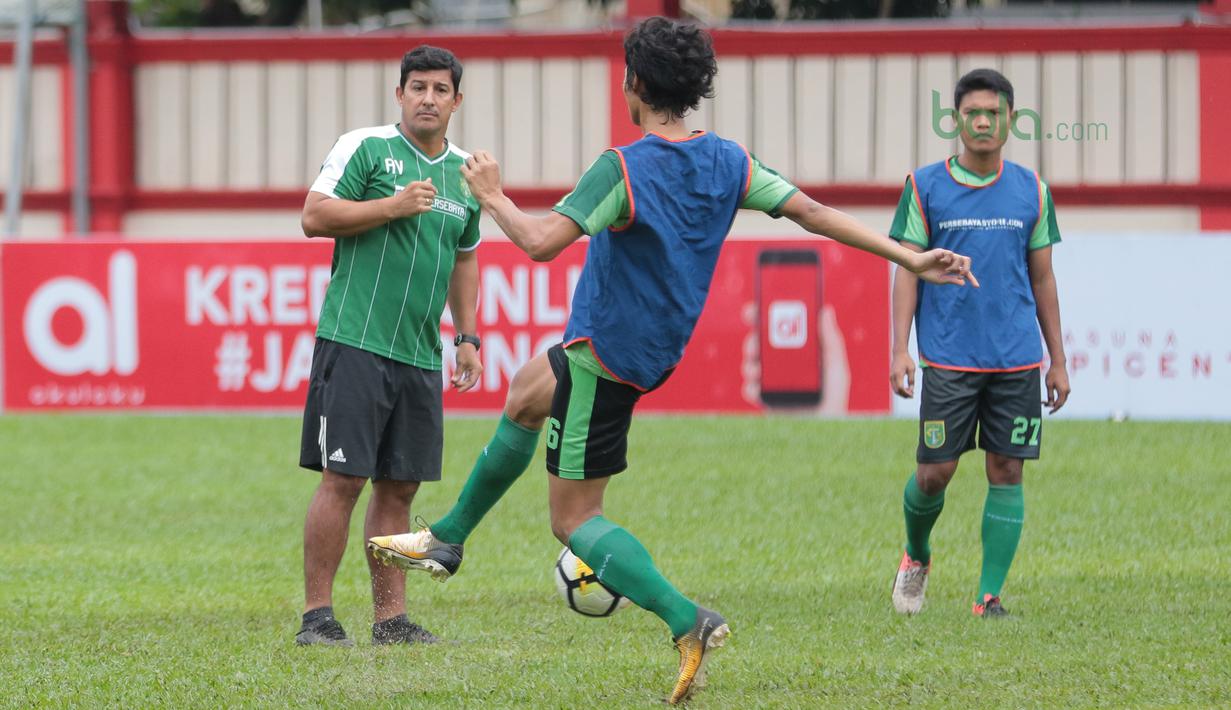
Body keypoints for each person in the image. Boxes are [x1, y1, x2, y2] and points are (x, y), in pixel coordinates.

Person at [369, 17, 974, 703]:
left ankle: (687, 620)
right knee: (527, 394)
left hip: (607, 352)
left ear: (634, 84)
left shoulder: (622, 167)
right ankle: (447, 538)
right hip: (649, 348)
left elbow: (539, 243)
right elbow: (809, 212)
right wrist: (907, 254)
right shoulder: (729, 160)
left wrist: (490, 195)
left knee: (572, 519)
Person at [293, 44, 483, 647]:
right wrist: (391, 207)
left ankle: (390, 619)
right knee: (343, 479)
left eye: (440, 89)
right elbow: (314, 216)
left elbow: (464, 256)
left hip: (422, 354)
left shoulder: (467, 176)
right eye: (417, 87)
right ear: (398, 94)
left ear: (457, 100)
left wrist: (469, 335)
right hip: (355, 340)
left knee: (400, 486)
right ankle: (317, 615)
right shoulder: (366, 148)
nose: (428, 98)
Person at [888, 68, 1070, 619]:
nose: (984, 121)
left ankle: (988, 598)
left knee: (1007, 471)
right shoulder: (924, 186)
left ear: (1011, 119)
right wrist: (901, 349)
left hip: (1016, 360)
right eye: (973, 112)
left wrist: (1057, 359)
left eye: (994, 112)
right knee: (934, 473)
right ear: (957, 119)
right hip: (948, 358)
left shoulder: (1031, 190)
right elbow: (906, 272)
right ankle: (916, 554)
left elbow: (1042, 279)